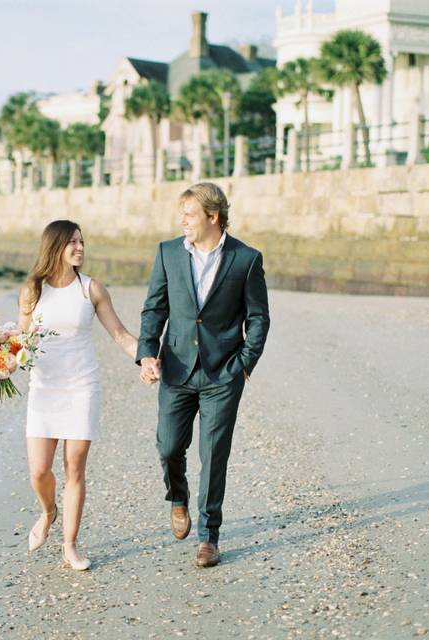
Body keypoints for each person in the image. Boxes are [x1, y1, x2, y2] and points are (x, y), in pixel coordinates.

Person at [137, 182, 270, 568]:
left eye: (189, 215)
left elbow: (258, 318)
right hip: (176, 368)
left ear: (213, 217)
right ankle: (177, 498)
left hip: (222, 374)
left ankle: (208, 536)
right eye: (181, 215)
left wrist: (243, 364)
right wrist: (147, 354)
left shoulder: (246, 259)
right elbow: (153, 311)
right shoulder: (167, 253)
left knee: (213, 455)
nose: (183, 221)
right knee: (167, 447)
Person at [18, 219, 138, 571]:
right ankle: (48, 511)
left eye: (82, 242)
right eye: (72, 242)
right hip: (44, 387)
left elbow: (119, 333)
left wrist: (145, 359)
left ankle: (70, 545)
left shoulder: (91, 289)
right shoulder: (32, 290)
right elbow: (20, 342)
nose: (80, 248)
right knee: (39, 471)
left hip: (82, 386)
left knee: (74, 469)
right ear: (54, 246)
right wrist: (1, 361)